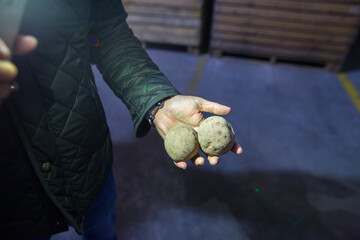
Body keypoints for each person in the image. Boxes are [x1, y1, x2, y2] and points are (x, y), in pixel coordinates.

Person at [0, 0, 242, 239]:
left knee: (102, 227)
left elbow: (108, 33)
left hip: (86, 156)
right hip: (14, 194)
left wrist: (158, 101)